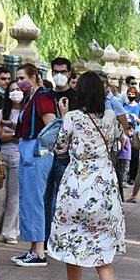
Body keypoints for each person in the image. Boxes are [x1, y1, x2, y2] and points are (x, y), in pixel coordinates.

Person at [47, 72, 125, 280]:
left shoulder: (72, 117)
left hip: (77, 186)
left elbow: (59, 148)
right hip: (104, 188)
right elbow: (119, 140)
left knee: (73, 241)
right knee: (101, 246)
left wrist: (62, 118)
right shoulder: (111, 117)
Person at [10, 63, 59, 268]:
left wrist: (43, 149)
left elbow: (52, 125)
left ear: (34, 76)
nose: (19, 82)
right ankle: (32, 248)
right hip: (28, 149)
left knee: (35, 199)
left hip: (37, 151)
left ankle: (39, 250)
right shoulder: (31, 98)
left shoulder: (42, 97)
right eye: (18, 78)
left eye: (23, 78)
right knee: (28, 198)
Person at [42, 58, 76, 244]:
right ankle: (47, 237)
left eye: (63, 72)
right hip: (46, 154)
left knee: (61, 198)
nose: (59, 75)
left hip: (67, 157)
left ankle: (60, 237)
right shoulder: (45, 96)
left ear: (70, 73)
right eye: (56, 72)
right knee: (46, 197)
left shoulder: (77, 97)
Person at [0, 82, 25, 244]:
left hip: (19, 158)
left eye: (18, 90)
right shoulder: (2, 112)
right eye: (12, 90)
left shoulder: (27, 113)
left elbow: (28, 135)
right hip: (2, 157)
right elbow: (0, 137)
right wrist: (17, 134)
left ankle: (9, 232)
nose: (15, 93)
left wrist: (11, 132)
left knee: (14, 197)